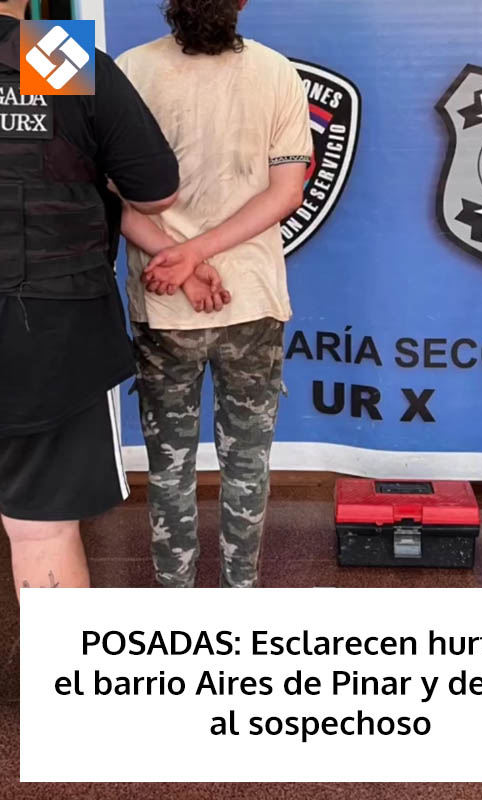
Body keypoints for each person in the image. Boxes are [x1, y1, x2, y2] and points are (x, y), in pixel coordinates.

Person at [116, 0, 312, 588]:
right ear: (242, 2)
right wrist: (197, 257)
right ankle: (238, 602)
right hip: (249, 299)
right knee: (247, 466)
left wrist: (183, 259)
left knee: (168, 470)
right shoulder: (277, 71)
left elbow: (101, 192)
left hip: (164, 297)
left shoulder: (126, 70)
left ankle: (176, 605)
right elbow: (287, 193)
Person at [0, 0, 181, 598]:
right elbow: (155, 192)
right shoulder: (50, 53)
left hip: (47, 320)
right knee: (41, 530)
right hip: (48, 327)